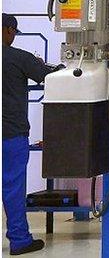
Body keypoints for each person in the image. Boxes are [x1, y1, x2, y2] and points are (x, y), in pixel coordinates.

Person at [3, 13, 62, 255]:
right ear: (8, 30)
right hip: (10, 135)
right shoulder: (17, 58)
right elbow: (51, 76)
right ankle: (19, 241)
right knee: (13, 188)